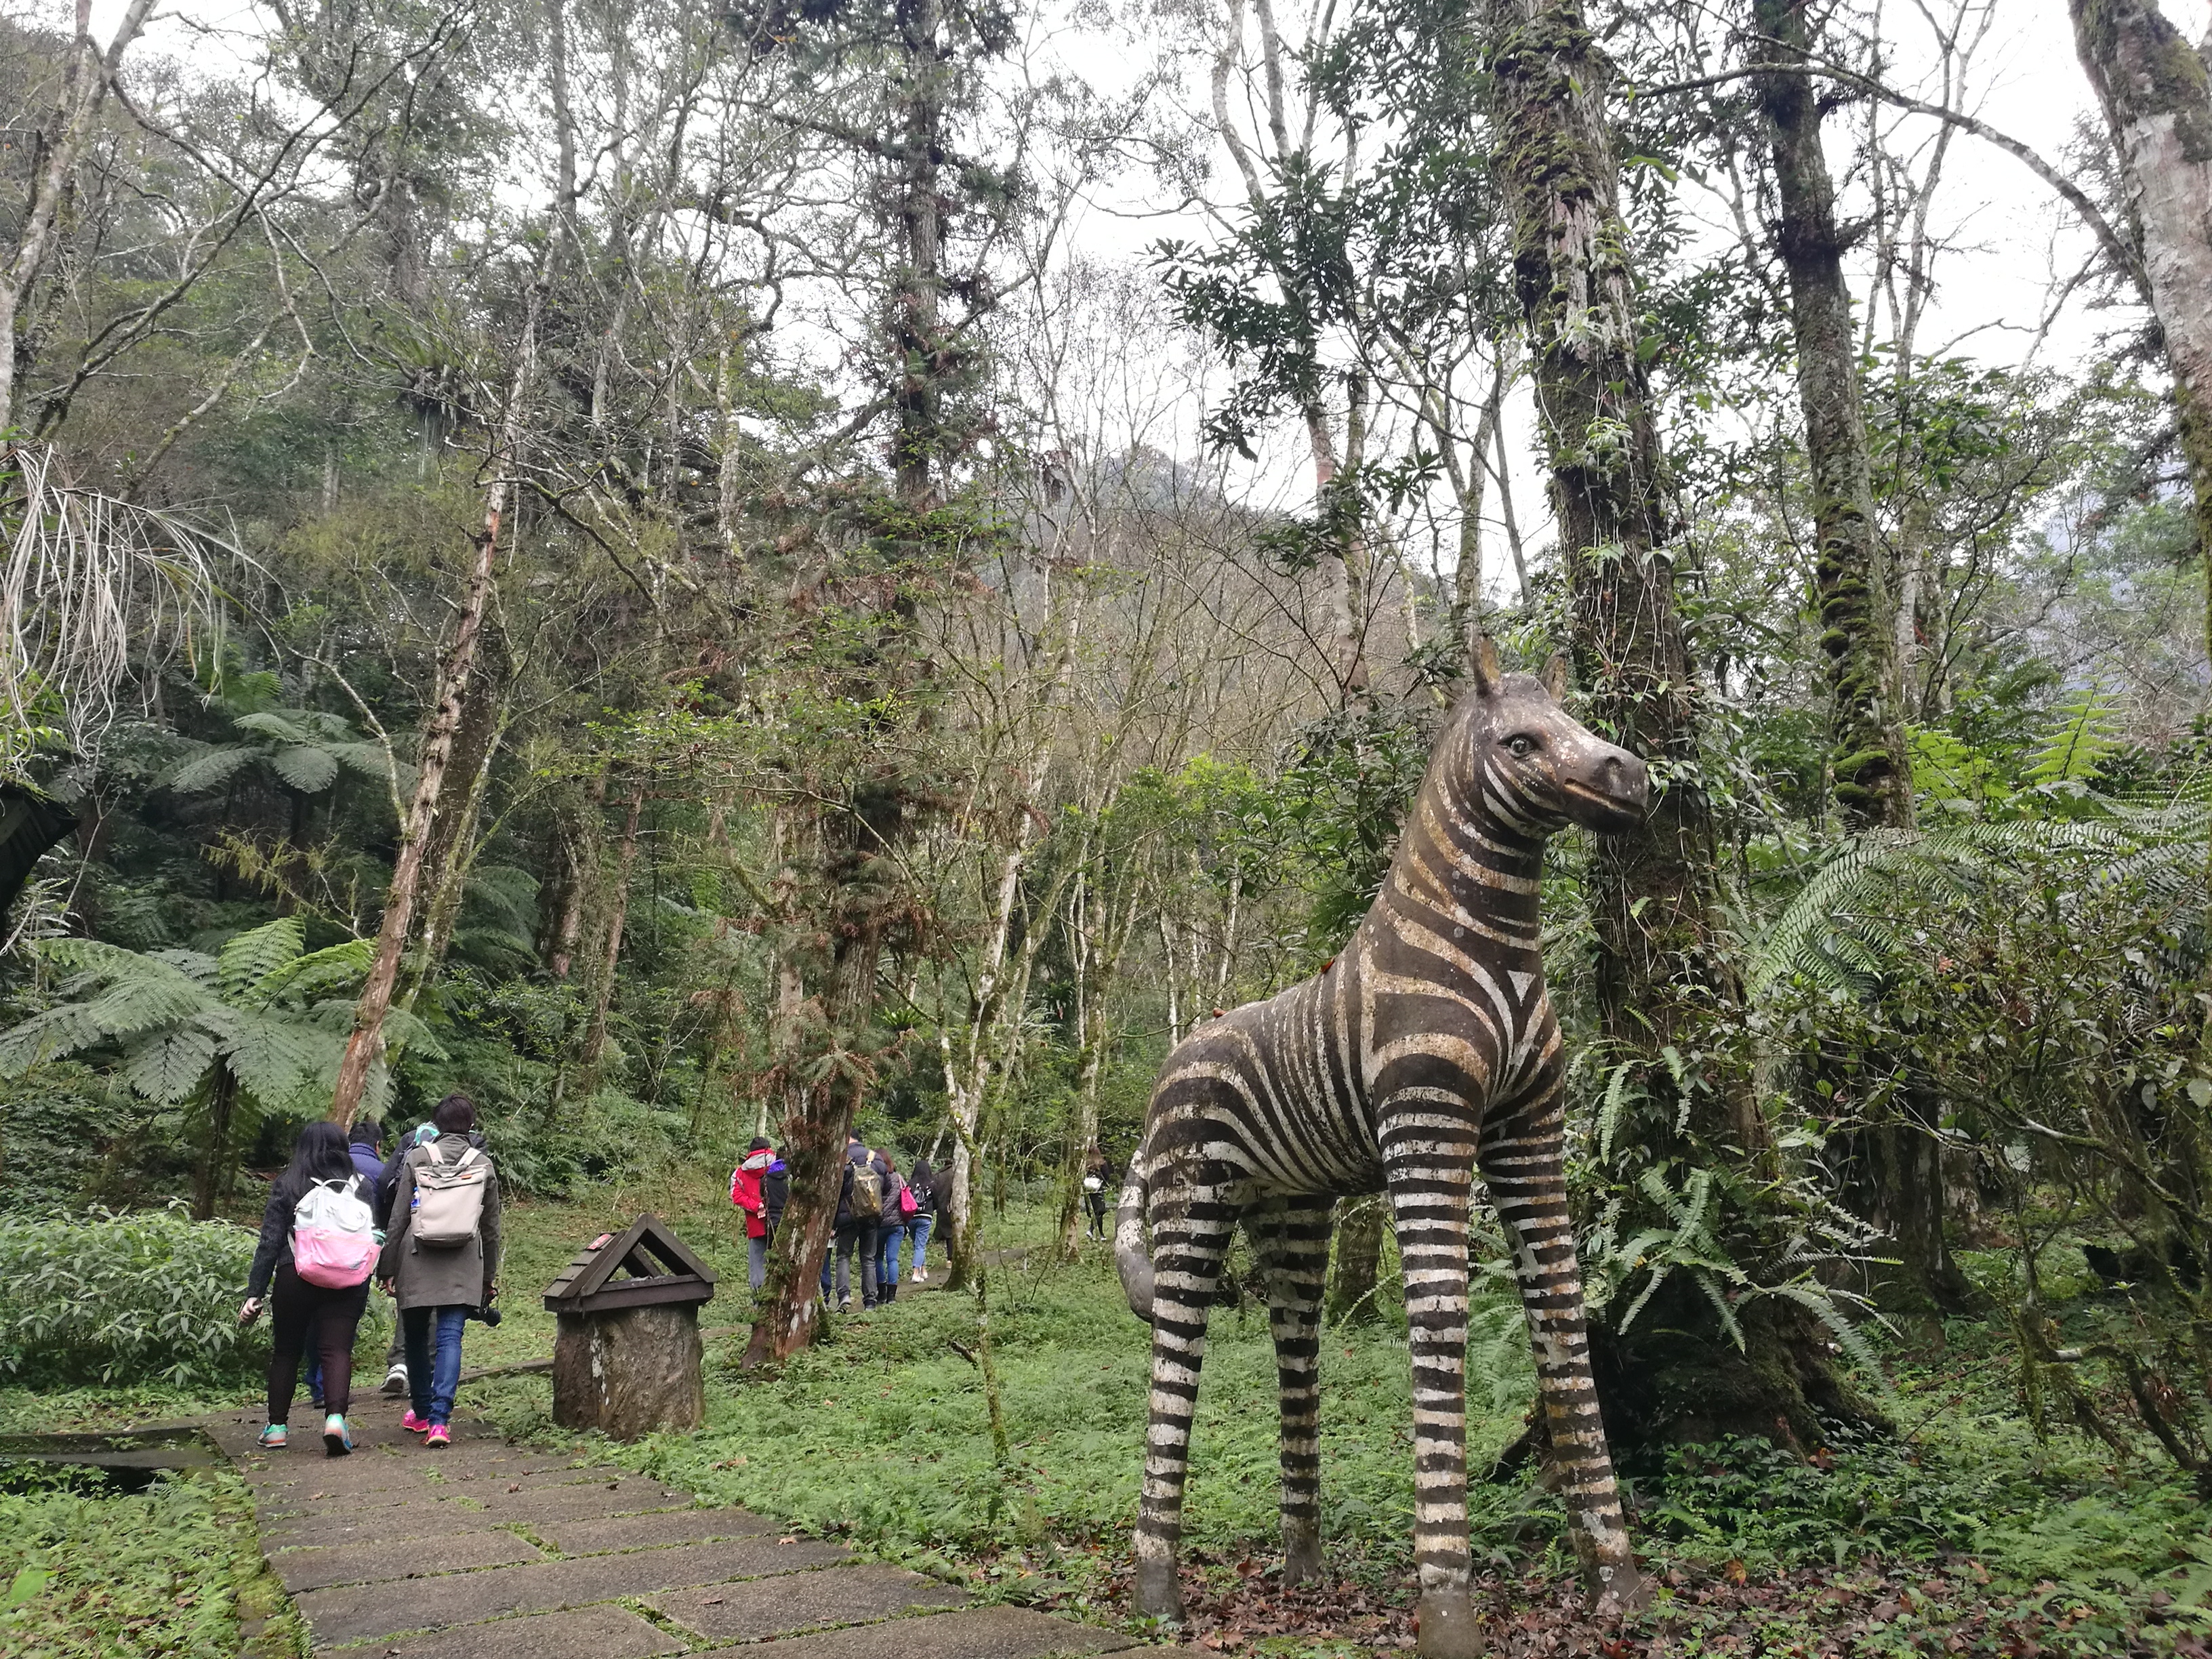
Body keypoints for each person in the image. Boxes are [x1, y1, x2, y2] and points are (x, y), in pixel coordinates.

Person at [241, 1121, 379, 1456]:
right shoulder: (361, 1186)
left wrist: (254, 1291)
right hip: (346, 1278)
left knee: (287, 1350)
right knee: (337, 1349)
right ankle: (335, 1421)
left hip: (295, 1274)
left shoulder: (288, 1183)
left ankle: (275, 1428)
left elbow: (270, 1241)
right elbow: (372, 1234)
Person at [378, 1094, 501, 1448]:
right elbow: (491, 1228)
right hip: (463, 1264)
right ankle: (440, 1422)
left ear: (436, 1124)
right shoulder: (483, 1163)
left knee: (415, 1338)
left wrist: (387, 1267)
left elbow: (399, 1215)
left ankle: (420, 1411)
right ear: (471, 1126)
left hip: (417, 1259)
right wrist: (488, 1277)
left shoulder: (417, 1157)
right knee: (450, 1338)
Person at [304, 1118, 388, 1410]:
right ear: (378, 1146)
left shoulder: (312, 1171)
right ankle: (330, 1389)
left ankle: (316, 1383)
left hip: (316, 1260)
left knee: (315, 1322)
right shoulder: (377, 1174)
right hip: (353, 1264)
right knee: (342, 1331)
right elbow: (378, 1225)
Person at [830, 1134, 885, 1312]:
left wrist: (833, 1222)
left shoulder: (841, 1159)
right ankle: (870, 1301)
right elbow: (887, 1186)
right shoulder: (875, 1158)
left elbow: (834, 1192)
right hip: (871, 1215)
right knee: (868, 1258)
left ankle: (844, 1296)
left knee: (844, 1256)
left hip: (848, 1216)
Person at [731, 1136, 777, 1290]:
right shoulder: (779, 1165)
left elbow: (736, 1196)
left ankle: (758, 1301)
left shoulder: (740, 1172)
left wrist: (757, 1206)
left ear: (751, 1152)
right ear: (768, 1148)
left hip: (755, 1225)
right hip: (779, 1222)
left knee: (758, 1264)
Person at [873, 1153, 909, 1305]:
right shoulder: (898, 1178)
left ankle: (881, 1294)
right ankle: (892, 1296)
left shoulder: (875, 1178)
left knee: (878, 1258)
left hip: (879, 1224)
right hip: (897, 1224)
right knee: (892, 1258)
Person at [903, 1158, 939, 1284]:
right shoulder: (932, 1183)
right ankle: (916, 1273)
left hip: (911, 1218)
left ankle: (923, 1270)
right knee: (920, 1246)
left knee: (918, 1245)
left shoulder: (909, 1184)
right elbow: (937, 1201)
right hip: (925, 1217)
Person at [1083, 1147, 1111, 1241]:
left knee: (1094, 1211)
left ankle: (1098, 1234)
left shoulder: (1086, 1164)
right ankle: (1093, 1231)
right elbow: (1107, 1176)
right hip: (1099, 1188)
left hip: (1089, 1189)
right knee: (1099, 1211)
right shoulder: (1102, 1163)